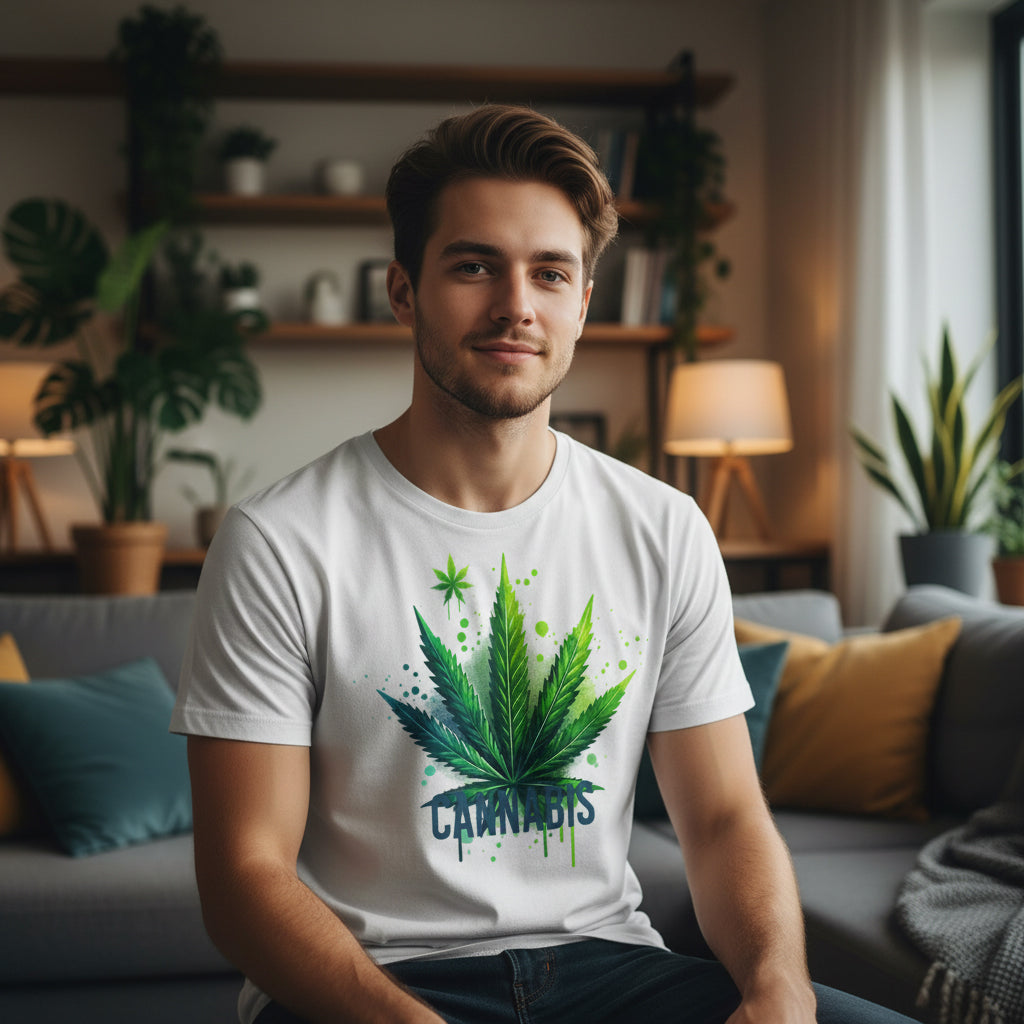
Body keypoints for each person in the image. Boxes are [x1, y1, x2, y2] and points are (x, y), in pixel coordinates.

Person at [172, 104, 915, 1024]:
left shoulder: (665, 527)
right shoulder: (280, 542)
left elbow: (723, 820)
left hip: (613, 973)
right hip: (379, 986)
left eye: (550, 273)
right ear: (404, 292)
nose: (515, 305)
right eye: (475, 265)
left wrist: (777, 988)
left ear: (583, 303)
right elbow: (243, 876)